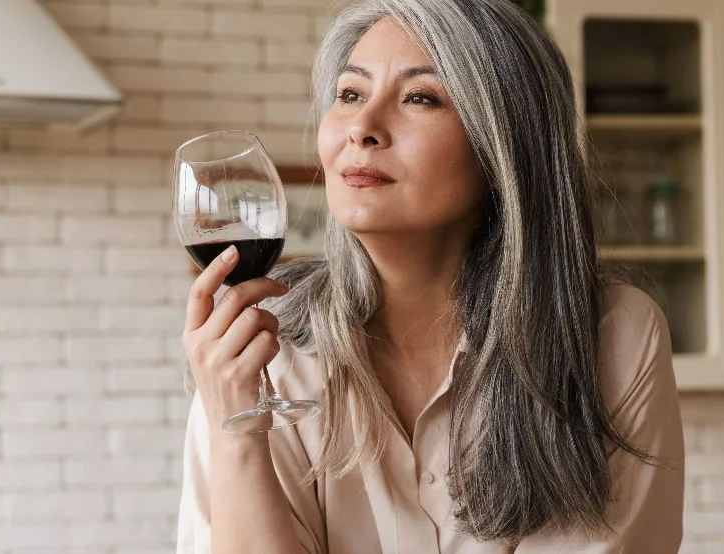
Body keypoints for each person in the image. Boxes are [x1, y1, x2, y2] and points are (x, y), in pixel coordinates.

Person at [174, 0, 686, 551]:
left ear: (503, 150)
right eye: (350, 94)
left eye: (420, 97)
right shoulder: (260, 357)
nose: (362, 128)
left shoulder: (613, 334)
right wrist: (239, 435)